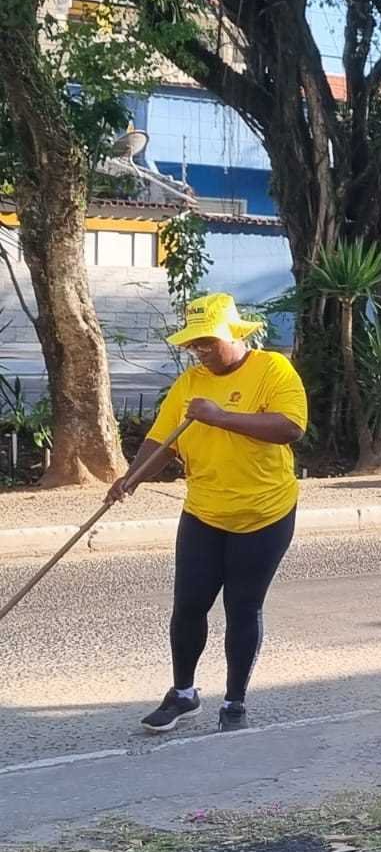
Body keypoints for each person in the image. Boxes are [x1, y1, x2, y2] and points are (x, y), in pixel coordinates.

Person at [109, 292, 307, 735]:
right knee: (189, 605)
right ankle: (183, 694)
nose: (198, 351)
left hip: (264, 514)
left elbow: (290, 427)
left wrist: (220, 417)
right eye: (192, 344)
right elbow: (162, 439)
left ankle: (234, 701)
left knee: (242, 607)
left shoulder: (272, 369)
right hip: (204, 510)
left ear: (232, 334)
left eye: (206, 342)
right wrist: (132, 476)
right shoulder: (190, 383)